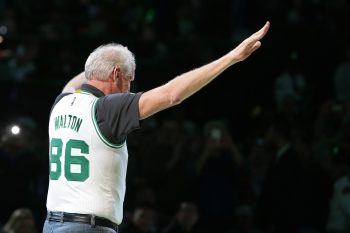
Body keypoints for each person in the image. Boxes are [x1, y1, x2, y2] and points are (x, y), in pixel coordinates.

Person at [42, 21, 270, 233]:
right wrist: (232, 57)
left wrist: (102, 62)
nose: (129, 88)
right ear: (116, 74)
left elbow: (77, 82)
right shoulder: (108, 109)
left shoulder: (61, 103)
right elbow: (172, 94)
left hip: (51, 224)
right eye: (129, 79)